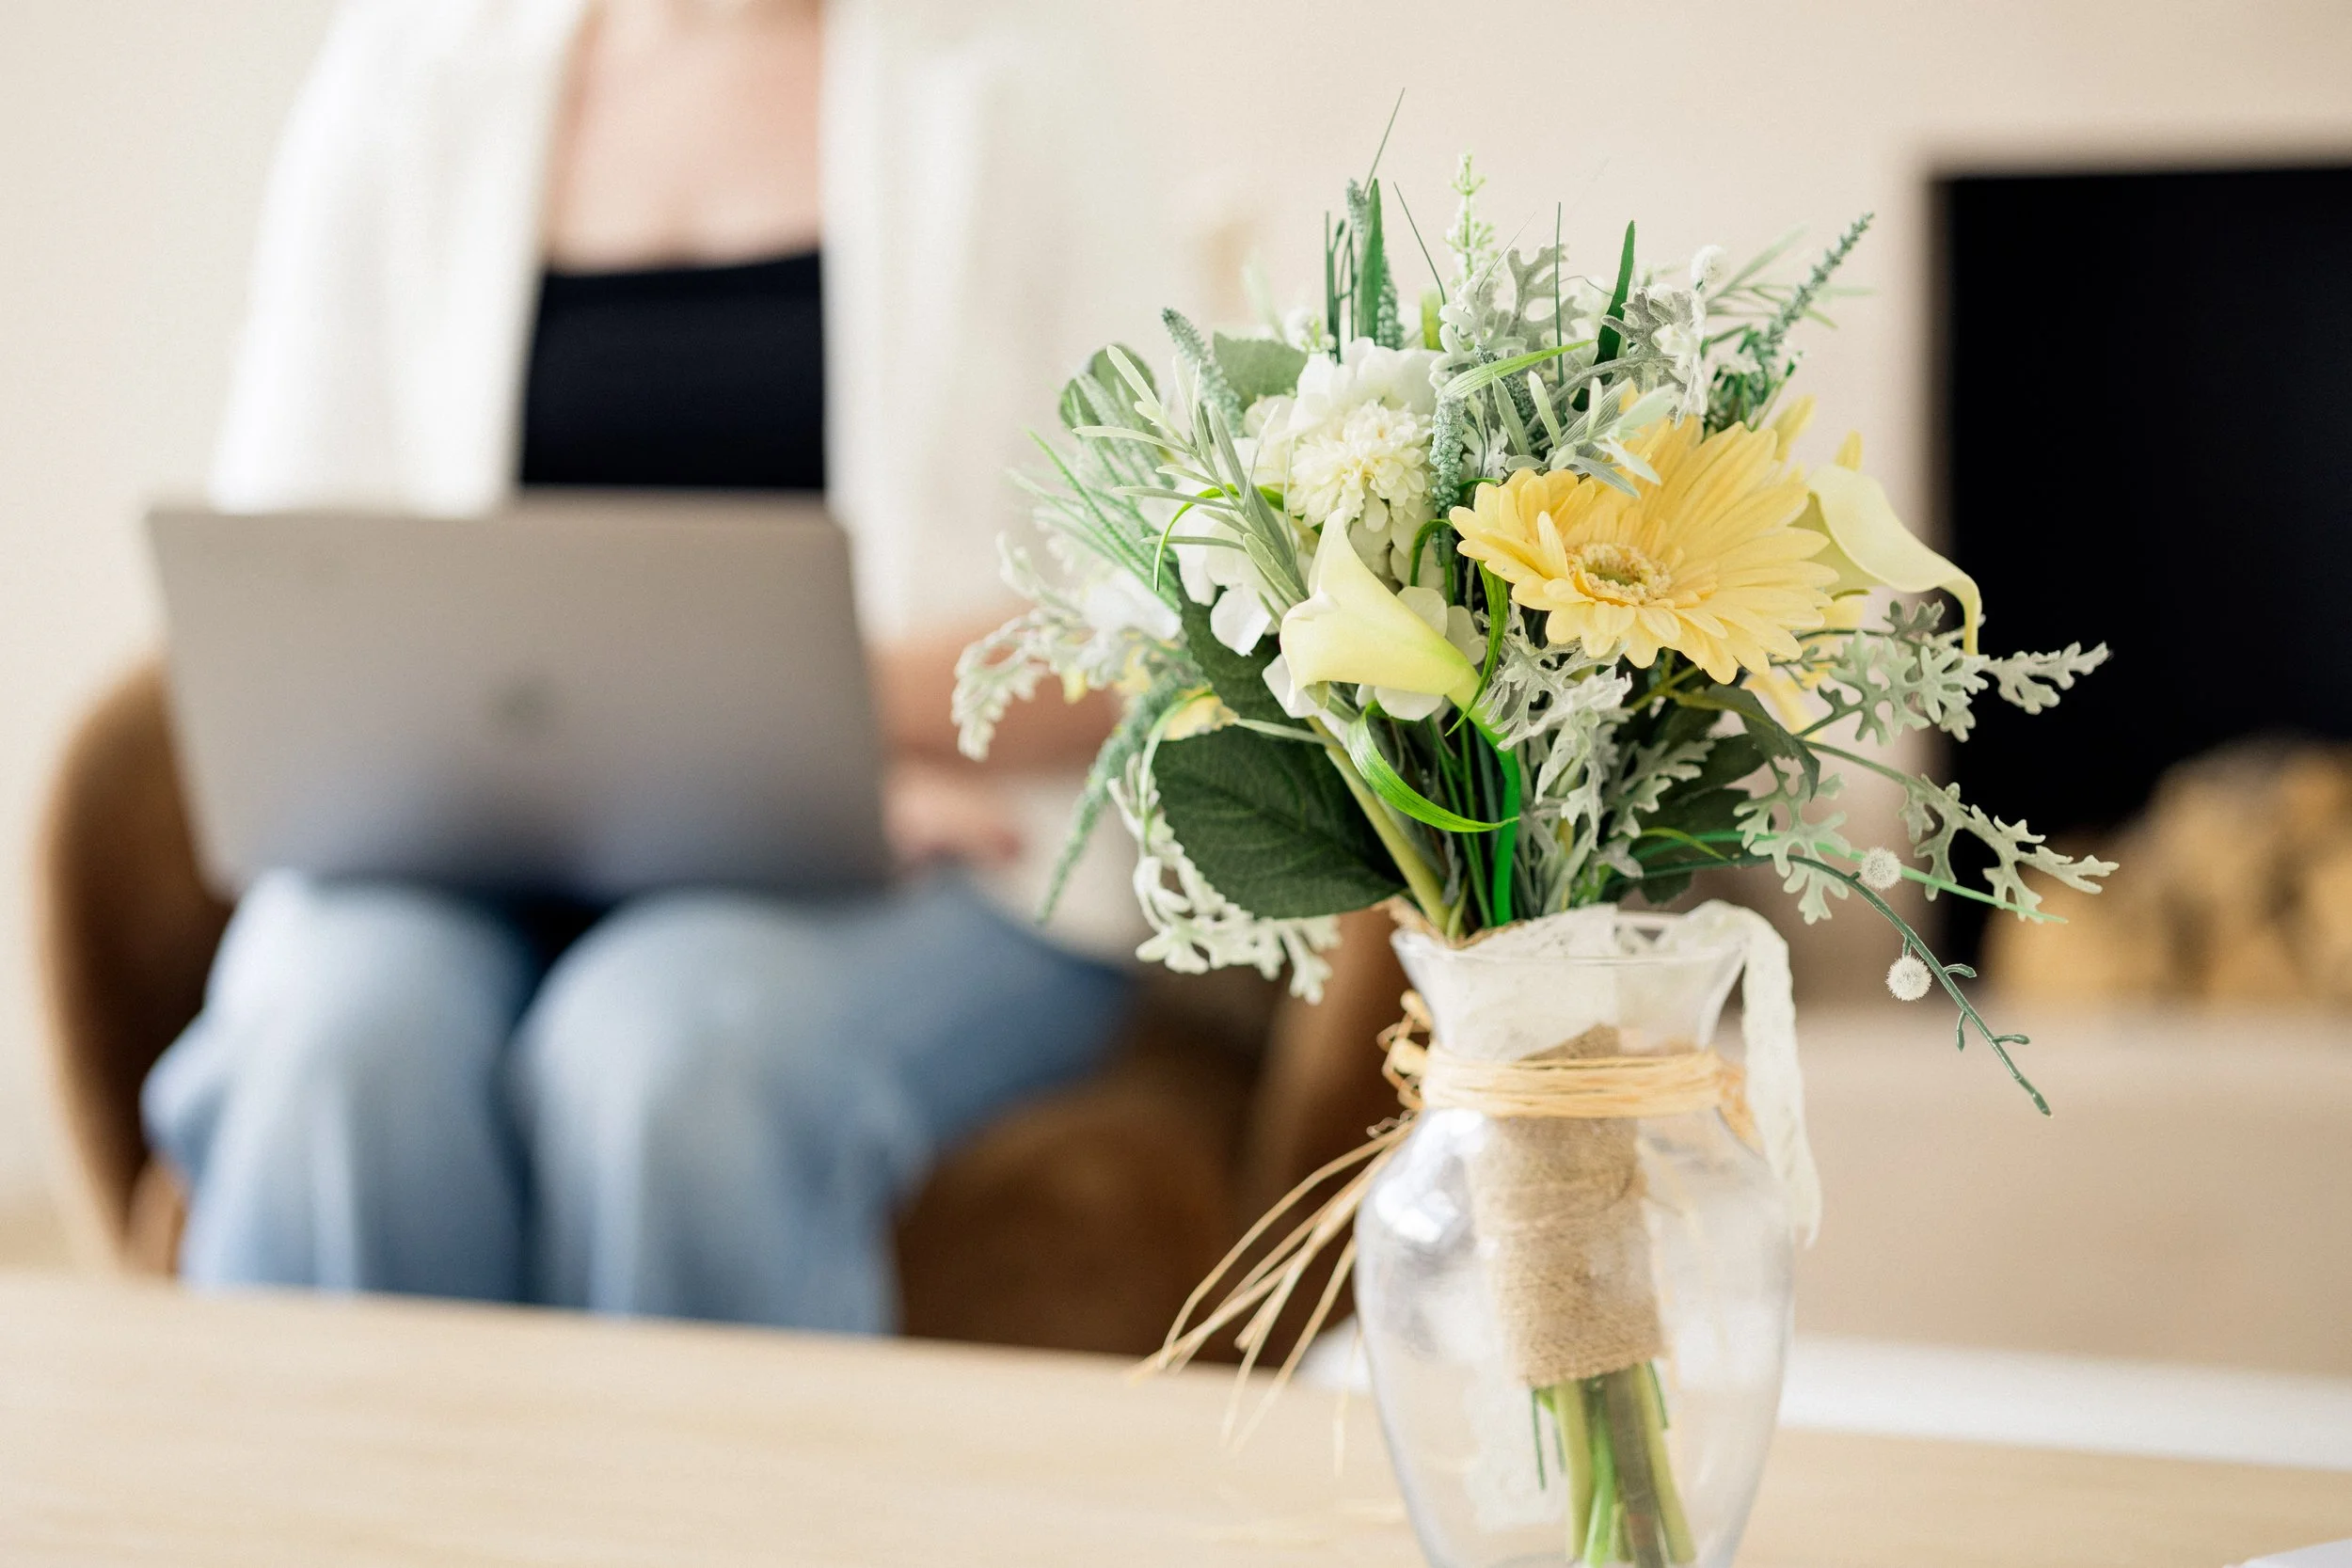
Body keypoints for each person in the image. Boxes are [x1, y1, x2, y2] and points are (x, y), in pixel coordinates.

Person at [141, 0, 1171, 1329]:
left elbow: (1170, 599)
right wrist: (705, 753)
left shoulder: (1021, 71)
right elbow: (286, 578)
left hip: (940, 837)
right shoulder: (404, 66)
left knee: (671, 1058)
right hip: (451, 832)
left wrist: (822, 745)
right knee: (334, 1050)